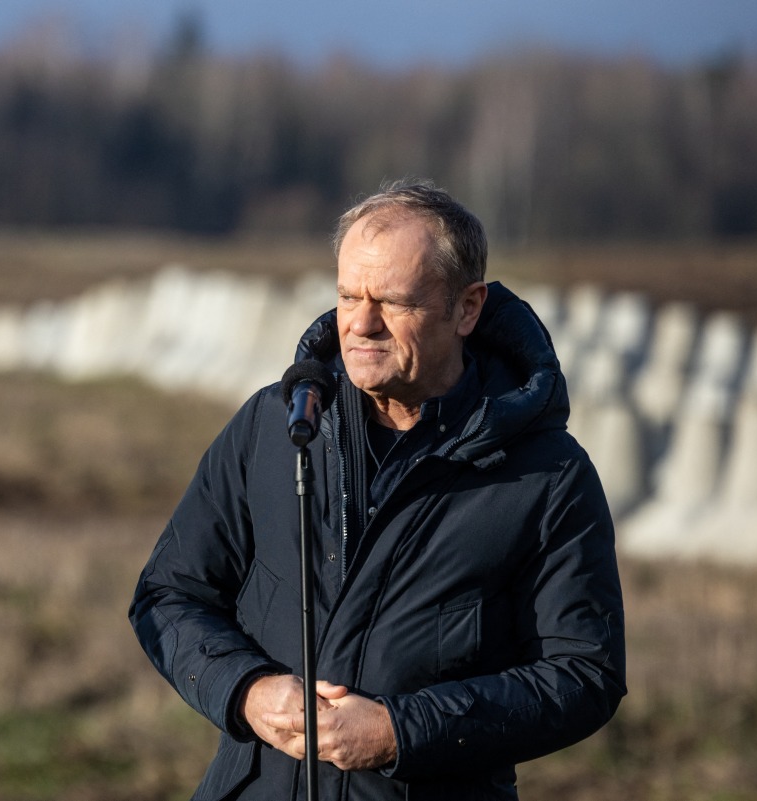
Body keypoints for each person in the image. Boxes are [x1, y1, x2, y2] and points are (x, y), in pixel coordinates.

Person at [129, 179, 626, 800]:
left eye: (393, 302)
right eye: (346, 295)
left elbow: (585, 675)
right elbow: (167, 593)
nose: (361, 324)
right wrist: (247, 692)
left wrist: (401, 732)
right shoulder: (274, 428)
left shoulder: (548, 476)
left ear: (466, 308)